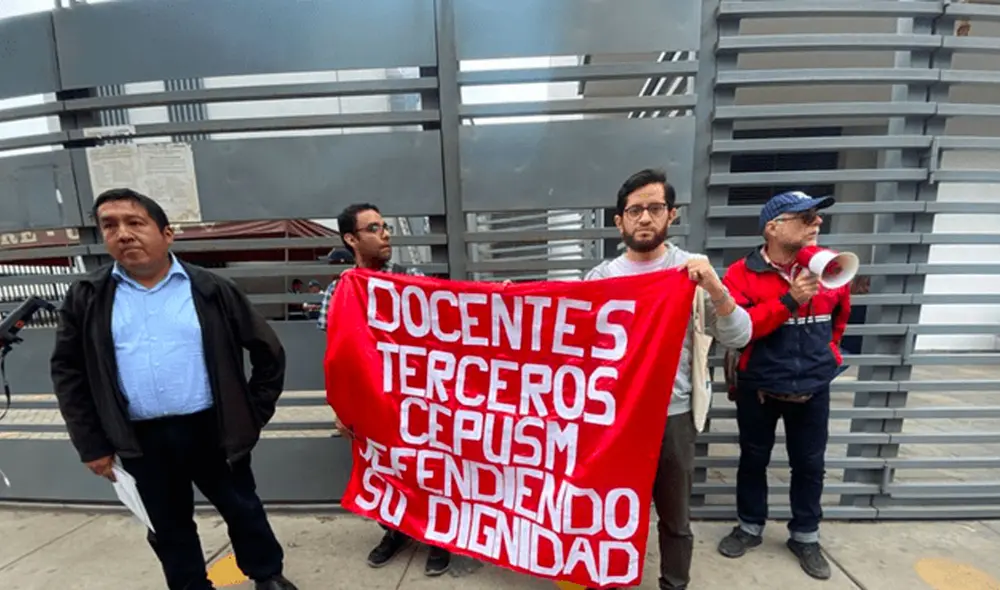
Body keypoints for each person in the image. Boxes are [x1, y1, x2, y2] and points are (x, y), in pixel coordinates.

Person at [50, 189, 297, 590]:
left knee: (243, 509)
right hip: (138, 438)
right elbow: (68, 372)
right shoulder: (89, 297)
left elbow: (268, 352)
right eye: (110, 225)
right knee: (167, 525)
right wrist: (91, 444)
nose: (123, 234)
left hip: (212, 429)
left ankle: (266, 574)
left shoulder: (211, 289)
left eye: (135, 222)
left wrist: (251, 414)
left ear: (167, 234)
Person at [584, 169, 753, 590]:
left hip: (672, 415)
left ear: (671, 215)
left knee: (675, 517)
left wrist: (715, 286)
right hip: (615, 419)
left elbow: (741, 334)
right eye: (635, 210)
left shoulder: (692, 273)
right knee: (609, 511)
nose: (644, 218)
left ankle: (673, 584)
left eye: (654, 208)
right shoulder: (600, 280)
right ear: (618, 221)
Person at [716, 191, 851, 581]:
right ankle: (749, 526)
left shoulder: (831, 268)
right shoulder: (740, 274)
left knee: (809, 464)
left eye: (818, 216)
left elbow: (841, 318)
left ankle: (805, 535)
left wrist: (828, 357)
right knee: (753, 457)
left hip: (813, 384)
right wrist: (790, 300)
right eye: (806, 216)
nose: (817, 223)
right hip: (759, 384)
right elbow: (743, 330)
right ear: (773, 227)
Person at [318, 202, 452, 577]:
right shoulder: (338, 292)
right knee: (380, 470)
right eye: (374, 228)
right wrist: (340, 411)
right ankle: (394, 531)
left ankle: (438, 538)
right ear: (351, 239)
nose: (386, 234)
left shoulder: (411, 282)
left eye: (386, 226)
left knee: (425, 468)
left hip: (416, 402)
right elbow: (335, 357)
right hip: (369, 404)